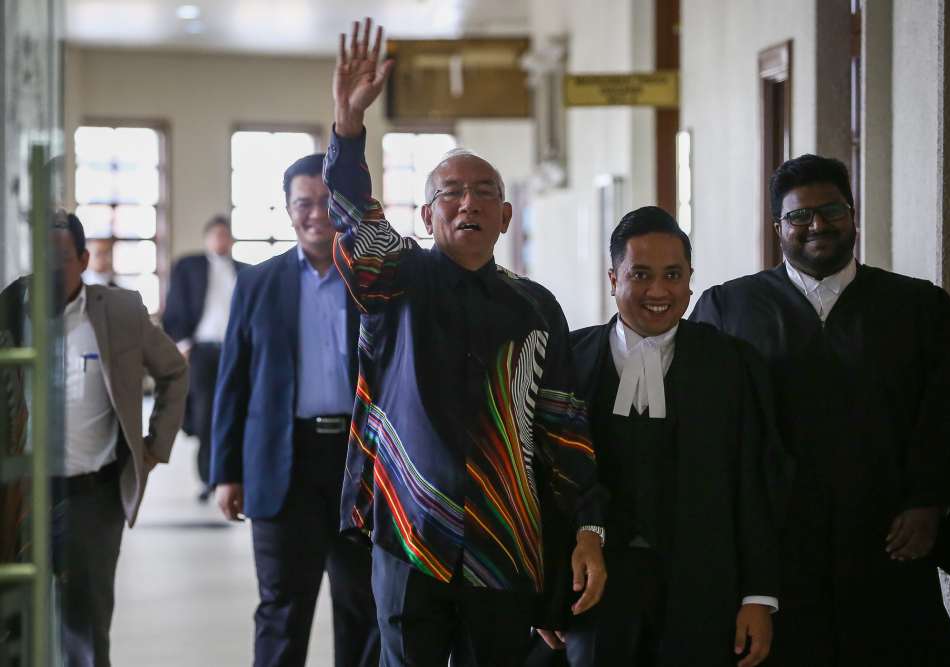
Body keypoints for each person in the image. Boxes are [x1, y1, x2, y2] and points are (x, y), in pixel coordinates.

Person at [324, 19, 606, 667]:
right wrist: (346, 122)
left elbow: (564, 431)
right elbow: (353, 214)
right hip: (408, 533)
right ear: (426, 216)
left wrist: (586, 529)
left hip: (504, 539)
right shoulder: (396, 277)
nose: (467, 203)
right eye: (450, 192)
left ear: (507, 216)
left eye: (485, 193)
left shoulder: (536, 309)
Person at [690, 154, 950, 666]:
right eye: (799, 216)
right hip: (779, 545)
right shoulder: (729, 310)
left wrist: (930, 500)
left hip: (887, 540)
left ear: (853, 215)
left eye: (831, 210)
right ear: (777, 227)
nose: (817, 225)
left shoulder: (919, 308)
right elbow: (709, 423)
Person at [532, 207, 780, 667]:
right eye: (640, 274)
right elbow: (540, 479)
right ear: (613, 278)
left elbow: (755, 480)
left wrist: (758, 596)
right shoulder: (566, 359)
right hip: (594, 587)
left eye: (673, 274)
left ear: (690, 279)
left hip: (704, 585)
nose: (658, 291)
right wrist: (544, 591)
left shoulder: (732, 364)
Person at [211, 154, 379, 667]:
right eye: (303, 203)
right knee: (283, 607)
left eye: (327, 202)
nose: (316, 213)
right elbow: (233, 380)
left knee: (363, 607)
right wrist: (227, 471)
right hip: (283, 463)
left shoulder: (371, 281)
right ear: (287, 210)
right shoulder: (259, 283)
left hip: (361, 465)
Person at [52, 212, 188, 667]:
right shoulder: (12, 311)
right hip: (21, 499)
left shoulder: (120, 312)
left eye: (61, 258)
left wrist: (152, 448)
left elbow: (173, 371)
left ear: (84, 259)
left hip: (92, 496)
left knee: (85, 631)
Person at [162, 215, 246, 501]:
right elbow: (174, 306)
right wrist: (183, 344)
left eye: (226, 235)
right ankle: (209, 477)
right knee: (206, 413)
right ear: (208, 238)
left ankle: (232, 473)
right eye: (216, 235)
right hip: (202, 352)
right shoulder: (190, 266)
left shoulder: (244, 271)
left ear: (231, 240)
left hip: (235, 351)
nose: (221, 240)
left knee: (237, 410)